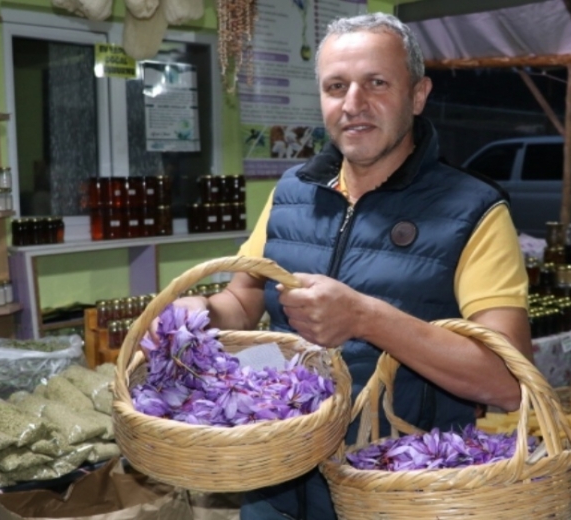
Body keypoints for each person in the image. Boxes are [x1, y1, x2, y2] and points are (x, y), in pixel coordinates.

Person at [161, 12, 531, 519]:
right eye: (337, 86)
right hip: (276, 475)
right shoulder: (292, 192)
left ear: (418, 95)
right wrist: (200, 311)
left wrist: (365, 319)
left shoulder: (474, 209)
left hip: (398, 484)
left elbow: (509, 380)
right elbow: (246, 298)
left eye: (376, 83)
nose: (353, 105)